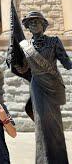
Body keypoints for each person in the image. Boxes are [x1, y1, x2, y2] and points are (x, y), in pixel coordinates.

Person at [14, 11, 71, 164]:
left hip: (52, 84)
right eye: (30, 23)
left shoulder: (54, 41)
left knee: (55, 122)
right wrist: (15, 63)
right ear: (27, 27)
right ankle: (43, 160)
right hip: (37, 84)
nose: (34, 24)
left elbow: (66, 62)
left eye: (37, 21)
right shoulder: (26, 46)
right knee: (41, 122)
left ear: (44, 25)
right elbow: (24, 67)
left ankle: (59, 159)